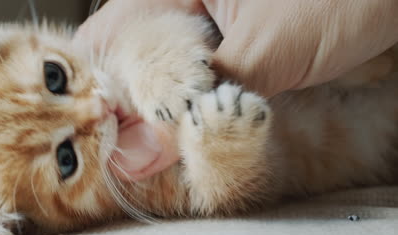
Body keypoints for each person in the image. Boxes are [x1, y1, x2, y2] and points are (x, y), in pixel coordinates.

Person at [73, 0, 398, 181]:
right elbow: (231, 188)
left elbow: (167, 27)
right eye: (65, 159)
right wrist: (219, 148)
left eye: (55, 79)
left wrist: (148, 53)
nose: (96, 108)